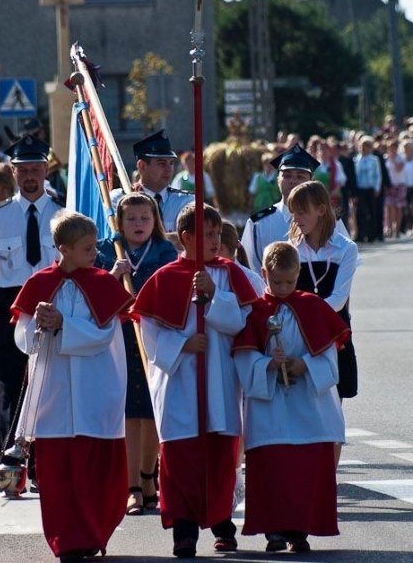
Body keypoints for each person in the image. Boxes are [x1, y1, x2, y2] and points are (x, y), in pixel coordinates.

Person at [132, 203, 258, 558]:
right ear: (187, 237)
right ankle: (183, 532)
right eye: (209, 235)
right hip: (180, 381)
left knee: (219, 455)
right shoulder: (164, 277)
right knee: (182, 458)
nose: (217, 241)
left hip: (219, 379)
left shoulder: (229, 274)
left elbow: (241, 321)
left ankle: (222, 524)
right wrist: (182, 344)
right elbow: (150, 331)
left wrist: (215, 296)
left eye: (219, 234)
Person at [10, 211, 134, 563]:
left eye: (95, 246)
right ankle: (66, 539)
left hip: (97, 386)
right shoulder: (39, 283)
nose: (94, 253)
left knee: (95, 471)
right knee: (58, 474)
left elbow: (104, 334)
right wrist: (40, 325)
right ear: (63, 248)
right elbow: (23, 337)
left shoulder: (102, 282)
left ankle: (91, 532)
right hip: (54, 391)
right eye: (86, 248)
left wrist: (64, 323)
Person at [233, 241, 349, 553]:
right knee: (272, 469)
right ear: (264, 274)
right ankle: (273, 530)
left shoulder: (313, 307)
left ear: (298, 273)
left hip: (307, 408)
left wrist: (304, 365)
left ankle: (300, 530)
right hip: (270, 407)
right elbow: (244, 361)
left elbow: (328, 361)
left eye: (289, 281)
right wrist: (267, 364)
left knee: (303, 472)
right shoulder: (255, 313)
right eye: (276, 281)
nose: (283, 288)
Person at [0, 134, 64, 482]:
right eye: (23, 170)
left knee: (47, 384)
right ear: (12, 171)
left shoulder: (63, 215)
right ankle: (12, 464)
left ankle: (41, 463)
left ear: (47, 169)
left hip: (52, 303)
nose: (30, 176)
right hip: (10, 306)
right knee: (9, 384)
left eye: (36, 168)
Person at [96, 192, 177, 516]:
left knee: (153, 409)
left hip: (154, 334)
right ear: (119, 221)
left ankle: (148, 476)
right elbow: (95, 294)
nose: (138, 224)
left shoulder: (165, 250)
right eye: (131, 218)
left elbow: (173, 290)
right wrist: (113, 275)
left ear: (155, 221)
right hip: (120, 335)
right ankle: (131, 487)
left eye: (145, 218)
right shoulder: (107, 250)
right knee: (129, 411)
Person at [287, 181, 359, 466]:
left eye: (301, 212)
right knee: (299, 409)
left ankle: (328, 476)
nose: (296, 219)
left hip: (333, 335)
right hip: (297, 337)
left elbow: (339, 299)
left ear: (320, 210)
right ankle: (304, 473)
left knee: (332, 411)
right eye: (293, 213)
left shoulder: (345, 249)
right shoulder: (290, 249)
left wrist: (304, 313)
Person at [241, 145, 317, 274]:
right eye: (287, 175)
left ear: (312, 181)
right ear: (277, 180)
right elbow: (248, 269)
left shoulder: (327, 219)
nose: (293, 181)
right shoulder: (258, 223)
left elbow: (342, 267)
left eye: (300, 176)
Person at [110, 130, 194, 232]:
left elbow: (190, 240)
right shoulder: (119, 199)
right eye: (162, 164)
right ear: (142, 166)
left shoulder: (185, 201)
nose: (169, 169)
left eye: (171, 163)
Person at [353, 136, 382, 243]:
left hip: (370, 188)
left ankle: (372, 234)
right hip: (360, 188)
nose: (363, 149)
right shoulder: (356, 160)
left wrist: (377, 187)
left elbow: (377, 175)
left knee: (371, 212)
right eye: (361, 146)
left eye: (366, 146)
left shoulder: (374, 160)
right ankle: (361, 234)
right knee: (360, 213)